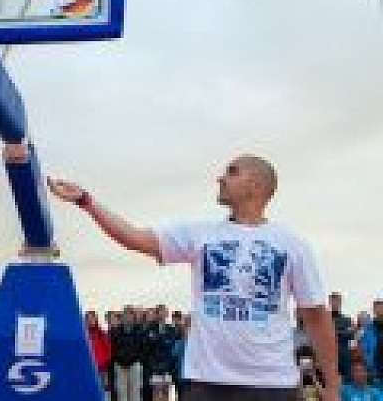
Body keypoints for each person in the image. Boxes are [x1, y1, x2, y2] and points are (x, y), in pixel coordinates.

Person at [48, 154, 340, 401]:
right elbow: (134, 238)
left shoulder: (292, 244)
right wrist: (85, 201)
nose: (220, 178)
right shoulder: (200, 234)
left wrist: (332, 384)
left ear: (255, 184)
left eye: (232, 171)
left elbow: (316, 316)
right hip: (206, 382)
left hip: (273, 384)